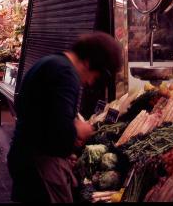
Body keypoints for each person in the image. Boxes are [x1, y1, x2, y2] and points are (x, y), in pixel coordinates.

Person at [7, 32, 124, 203]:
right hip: (40, 166)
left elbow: (43, 118)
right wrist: (78, 129)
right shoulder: (65, 74)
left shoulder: (50, 62)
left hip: (24, 157)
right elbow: (60, 132)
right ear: (89, 62)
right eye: (96, 77)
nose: (91, 83)